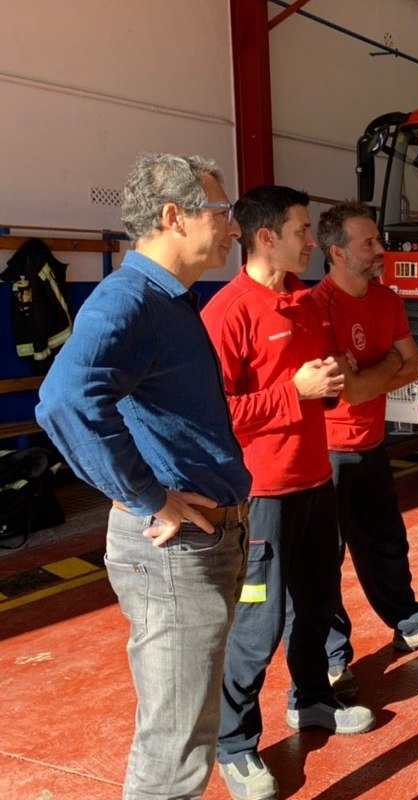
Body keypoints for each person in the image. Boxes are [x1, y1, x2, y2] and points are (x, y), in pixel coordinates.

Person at [36, 153, 251, 799]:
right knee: (175, 747)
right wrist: (149, 499)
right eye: (222, 212)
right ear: (173, 216)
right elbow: (66, 399)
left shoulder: (169, 301)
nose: (233, 228)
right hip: (174, 551)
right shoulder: (130, 299)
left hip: (203, 542)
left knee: (187, 728)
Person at [202, 185, 374, 800]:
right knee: (257, 623)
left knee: (317, 602)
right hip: (261, 494)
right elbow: (213, 415)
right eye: (302, 229)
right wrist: (294, 393)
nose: (311, 239)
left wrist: (326, 387)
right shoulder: (226, 313)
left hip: (313, 480)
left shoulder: (305, 303)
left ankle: (312, 701)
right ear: (267, 237)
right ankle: (236, 745)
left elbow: (317, 385)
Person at [309, 201, 418, 698]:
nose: (381, 250)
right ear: (336, 251)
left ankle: (408, 624)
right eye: (369, 243)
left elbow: (413, 365)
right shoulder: (320, 306)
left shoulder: (387, 299)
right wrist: (383, 372)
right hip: (328, 454)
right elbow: (350, 390)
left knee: (387, 544)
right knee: (325, 561)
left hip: (372, 446)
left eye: (378, 241)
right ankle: (334, 658)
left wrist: (367, 373)